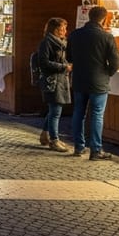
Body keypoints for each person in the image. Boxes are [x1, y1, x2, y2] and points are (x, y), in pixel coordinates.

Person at [67, 5, 119, 160]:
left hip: (79, 80)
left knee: (78, 113)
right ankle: (96, 150)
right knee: (97, 114)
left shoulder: (75, 35)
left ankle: (78, 146)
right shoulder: (106, 37)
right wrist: (107, 73)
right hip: (99, 81)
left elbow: (69, 58)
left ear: (89, 16)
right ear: (104, 18)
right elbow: (116, 61)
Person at [35, 17, 72, 153]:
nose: (63, 31)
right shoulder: (46, 43)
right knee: (56, 111)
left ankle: (45, 135)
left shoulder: (63, 43)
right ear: (53, 29)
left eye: (64, 28)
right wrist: (64, 67)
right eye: (60, 28)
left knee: (53, 110)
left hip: (61, 80)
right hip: (52, 81)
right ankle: (54, 140)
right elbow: (43, 63)